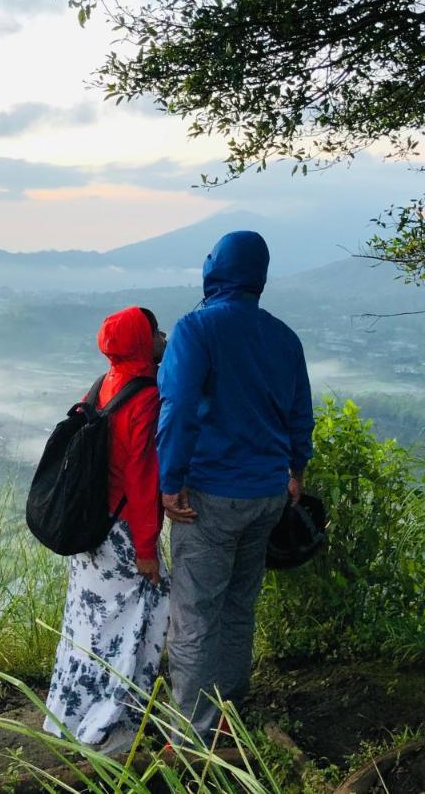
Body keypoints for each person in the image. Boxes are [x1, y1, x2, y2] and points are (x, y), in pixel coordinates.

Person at [157, 231, 314, 744]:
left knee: (196, 613)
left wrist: (170, 481)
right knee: (238, 608)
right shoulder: (284, 337)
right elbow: (299, 416)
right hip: (267, 494)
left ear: (216, 268)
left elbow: (177, 409)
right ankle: (228, 714)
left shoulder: (195, 329)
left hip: (209, 495)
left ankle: (192, 737)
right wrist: (295, 472)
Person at [43, 306, 170, 755]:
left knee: (87, 621)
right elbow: (140, 477)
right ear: (143, 340)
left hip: (91, 526)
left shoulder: (104, 383)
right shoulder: (146, 395)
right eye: (155, 332)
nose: (162, 337)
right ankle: (109, 727)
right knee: (139, 618)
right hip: (123, 530)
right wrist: (147, 548)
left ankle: (70, 715)